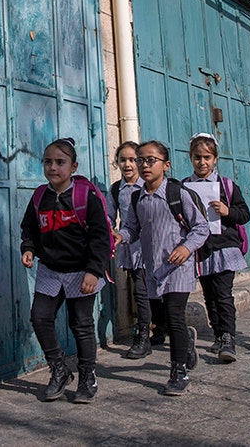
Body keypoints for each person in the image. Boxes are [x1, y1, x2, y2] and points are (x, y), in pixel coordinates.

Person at [20, 138, 112, 404]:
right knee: (39, 317)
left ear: (74, 167)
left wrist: (94, 271)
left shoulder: (86, 196)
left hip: (81, 272)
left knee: (81, 325)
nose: (53, 167)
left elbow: (101, 237)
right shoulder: (39, 196)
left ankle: (87, 377)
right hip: (50, 270)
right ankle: (59, 370)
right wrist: (29, 248)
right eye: (48, 162)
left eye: (60, 162)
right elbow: (30, 228)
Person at [116, 141, 208, 396]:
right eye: (140, 160)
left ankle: (178, 371)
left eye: (150, 160)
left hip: (178, 267)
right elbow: (132, 228)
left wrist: (186, 248)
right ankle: (186, 343)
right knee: (161, 319)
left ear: (166, 165)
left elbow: (201, 227)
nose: (143, 165)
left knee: (175, 316)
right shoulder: (137, 197)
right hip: (152, 269)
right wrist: (119, 236)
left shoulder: (178, 194)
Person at [183, 133, 250, 363]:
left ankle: (228, 337)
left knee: (223, 295)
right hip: (202, 252)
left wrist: (226, 211)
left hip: (224, 249)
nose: (202, 162)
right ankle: (218, 334)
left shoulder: (227, 186)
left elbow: (244, 215)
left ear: (215, 159)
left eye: (207, 157)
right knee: (210, 296)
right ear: (191, 158)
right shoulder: (184, 187)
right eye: (197, 157)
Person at [106, 141, 155, 359]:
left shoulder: (149, 185)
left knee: (158, 292)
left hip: (156, 247)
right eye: (123, 160)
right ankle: (143, 334)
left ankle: (160, 328)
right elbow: (109, 216)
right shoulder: (117, 189)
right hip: (133, 248)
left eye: (132, 160)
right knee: (141, 291)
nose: (128, 164)